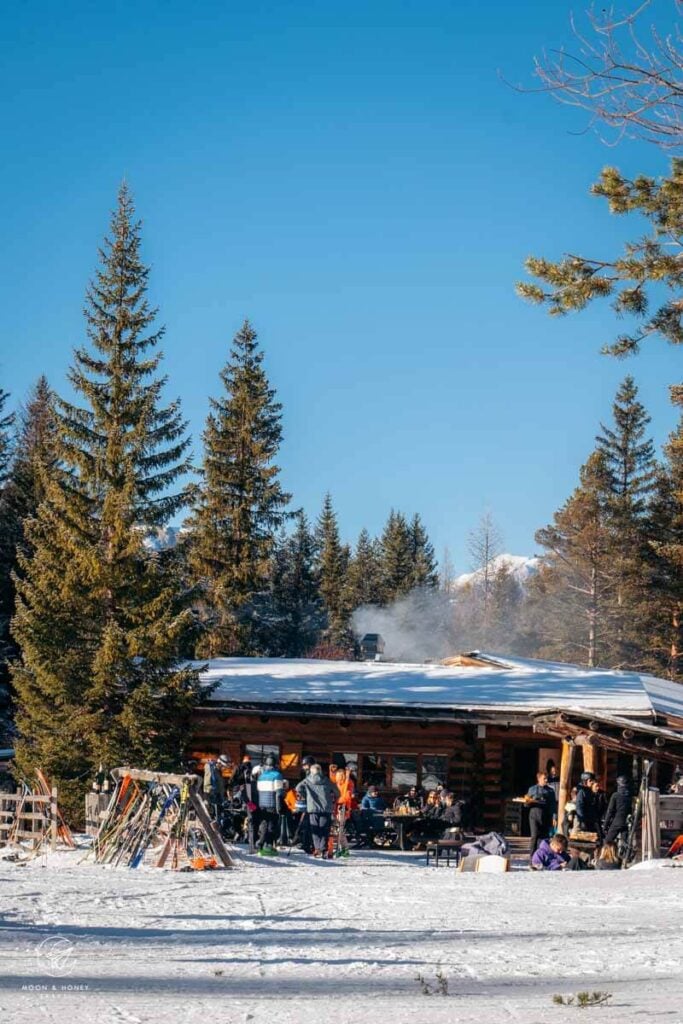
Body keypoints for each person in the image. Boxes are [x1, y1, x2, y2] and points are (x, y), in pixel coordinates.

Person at [296, 763, 339, 857]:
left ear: (311, 772)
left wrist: (305, 795)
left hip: (312, 808)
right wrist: (333, 798)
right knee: (324, 829)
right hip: (326, 808)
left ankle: (317, 849)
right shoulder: (327, 780)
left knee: (314, 829)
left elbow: (298, 788)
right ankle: (324, 849)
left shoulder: (307, 780)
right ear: (320, 771)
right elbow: (337, 792)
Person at [255, 753, 286, 856]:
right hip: (272, 804)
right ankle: (267, 846)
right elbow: (279, 793)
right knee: (272, 826)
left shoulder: (261, 776)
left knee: (264, 825)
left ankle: (260, 844)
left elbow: (258, 790)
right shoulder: (277, 775)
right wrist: (279, 807)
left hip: (262, 804)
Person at [526, 770, 557, 856]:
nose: (546, 780)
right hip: (534, 814)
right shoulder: (532, 789)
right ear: (539, 779)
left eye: (547, 778)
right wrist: (528, 801)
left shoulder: (550, 791)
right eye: (544, 779)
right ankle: (532, 856)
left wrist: (554, 817)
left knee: (544, 837)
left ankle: (542, 855)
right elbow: (526, 804)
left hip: (546, 815)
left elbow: (553, 805)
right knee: (534, 836)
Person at [603, 775, 632, 845]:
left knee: (607, 842)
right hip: (625, 822)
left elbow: (610, 811)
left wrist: (605, 825)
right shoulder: (629, 796)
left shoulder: (615, 795)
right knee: (625, 843)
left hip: (617, 822)